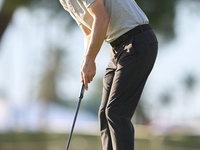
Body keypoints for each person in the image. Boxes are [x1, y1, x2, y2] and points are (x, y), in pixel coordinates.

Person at [59, 0, 158, 149]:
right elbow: (89, 31)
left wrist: (90, 59)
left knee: (116, 112)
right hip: (117, 49)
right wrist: (85, 61)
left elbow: (102, 19)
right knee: (104, 114)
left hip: (138, 40)